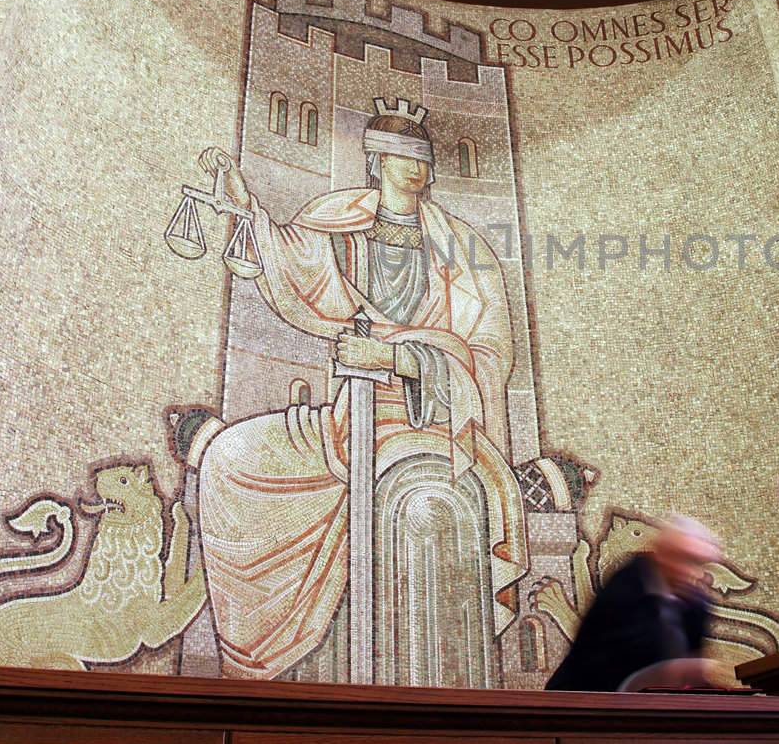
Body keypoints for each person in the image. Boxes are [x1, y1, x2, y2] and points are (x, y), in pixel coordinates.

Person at [179, 100, 528, 679]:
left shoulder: (464, 251)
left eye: (422, 156)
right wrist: (244, 205)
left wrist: (397, 357)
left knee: (423, 504)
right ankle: (262, 666)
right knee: (228, 459)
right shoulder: (343, 233)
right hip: (345, 418)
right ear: (376, 162)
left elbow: (489, 355)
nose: (414, 168)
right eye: (399, 155)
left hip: (429, 422)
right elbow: (290, 256)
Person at [545, 516, 722, 692]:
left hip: (655, 707)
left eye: (701, 564)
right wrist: (674, 670)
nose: (696, 574)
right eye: (686, 560)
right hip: (585, 700)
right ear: (663, 555)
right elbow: (605, 660)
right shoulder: (626, 588)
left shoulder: (696, 604)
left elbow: (694, 663)